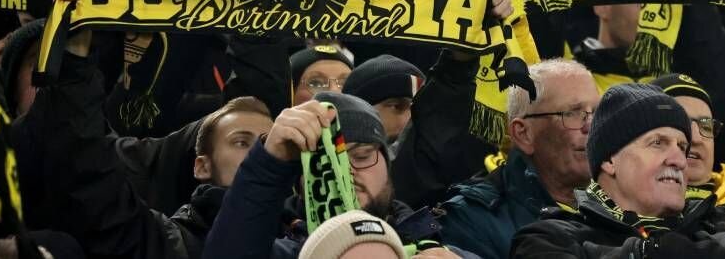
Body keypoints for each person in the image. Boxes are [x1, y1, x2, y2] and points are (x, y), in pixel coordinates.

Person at [509, 83, 725, 258]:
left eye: (682, 146)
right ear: (610, 160)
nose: (679, 160)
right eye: (658, 143)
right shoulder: (551, 238)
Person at [201, 94, 406, 258]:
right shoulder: (284, 251)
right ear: (301, 182)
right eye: (325, 164)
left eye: (362, 156)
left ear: (387, 164)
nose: (346, 171)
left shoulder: (423, 235)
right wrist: (269, 162)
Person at [436, 59, 600, 259]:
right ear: (523, 134)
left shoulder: (625, 202)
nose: (593, 126)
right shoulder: (470, 220)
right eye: (573, 113)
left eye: (599, 112)